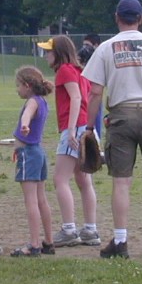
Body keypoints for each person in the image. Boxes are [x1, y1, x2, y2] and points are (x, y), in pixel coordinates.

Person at [82, 0, 142, 258]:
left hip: (121, 115)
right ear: (141, 19)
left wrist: (89, 127)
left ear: (117, 17)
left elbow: (96, 92)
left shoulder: (107, 48)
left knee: (122, 181)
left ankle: (120, 242)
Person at [36, 35, 100, 248]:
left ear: (59, 53)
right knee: (83, 181)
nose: (46, 56)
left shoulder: (65, 71)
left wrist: (71, 130)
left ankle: (69, 229)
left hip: (74, 128)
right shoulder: (80, 71)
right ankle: (90, 230)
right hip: (85, 127)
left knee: (60, 179)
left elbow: (76, 98)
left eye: (49, 52)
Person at [10, 66, 56, 257]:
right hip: (38, 153)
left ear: (27, 86)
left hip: (28, 154)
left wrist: (25, 124)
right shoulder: (42, 101)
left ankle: (35, 244)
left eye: (18, 86)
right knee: (41, 199)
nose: (17, 89)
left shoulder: (32, 101)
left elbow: (28, 113)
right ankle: (48, 241)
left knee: (31, 201)